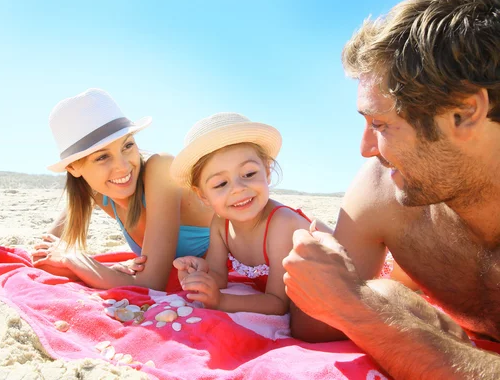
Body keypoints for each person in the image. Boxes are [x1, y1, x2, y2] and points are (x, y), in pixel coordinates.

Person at [282, 0, 500, 378]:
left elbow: (347, 308)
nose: (366, 149)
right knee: (385, 294)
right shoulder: (382, 190)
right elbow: (314, 327)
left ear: (466, 112)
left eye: (380, 123)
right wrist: (324, 268)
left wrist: (357, 305)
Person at [169, 112, 339, 339]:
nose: (238, 188)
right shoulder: (221, 222)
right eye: (220, 183)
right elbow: (219, 276)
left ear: (267, 172)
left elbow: (278, 303)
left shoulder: (280, 225)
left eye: (249, 173)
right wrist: (198, 273)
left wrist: (221, 301)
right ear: (203, 196)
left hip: (333, 282)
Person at [32, 88, 213, 291]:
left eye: (127, 146)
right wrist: (106, 270)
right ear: (73, 167)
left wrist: (76, 260)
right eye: (102, 157)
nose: (124, 166)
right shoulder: (94, 192)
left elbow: (151, 285)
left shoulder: (161, 168)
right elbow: (44, 256)